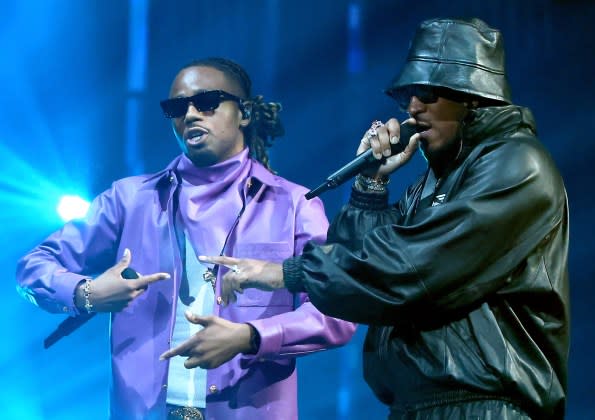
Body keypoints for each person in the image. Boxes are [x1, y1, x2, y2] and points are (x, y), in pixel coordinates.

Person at [208, 18, 570, 419]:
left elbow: (411, 270)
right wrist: (370, 187)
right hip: (417, 405)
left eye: (428, 94)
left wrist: (287, 273)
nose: (414, 108)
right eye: (408, 97)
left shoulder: (516, 164)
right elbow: (362, 284)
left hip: (483, 407)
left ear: (472, 97)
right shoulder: (433, 182)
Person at [16, 57, 356, 419]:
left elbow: (339, 311)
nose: (190, 114)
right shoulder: (129, 200)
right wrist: (87, 293)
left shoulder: (293, 205)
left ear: (243, 113)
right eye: (177, 107)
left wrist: (252, 336)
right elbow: (33, 268)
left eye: (207, 102)